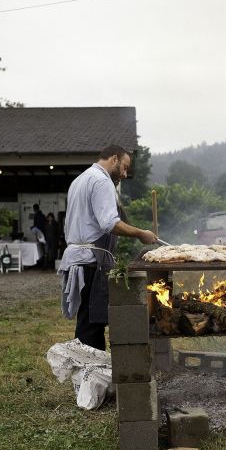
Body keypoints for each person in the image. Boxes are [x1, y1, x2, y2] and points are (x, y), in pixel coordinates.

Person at [58, 145, 157, 351]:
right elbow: (109, 223)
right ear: (114, 159)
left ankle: (89, 375)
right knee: (92, 325)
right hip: (91, 262)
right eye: (124, 167)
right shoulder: (102, 181)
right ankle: (92, 376)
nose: (125, 173)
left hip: (80, 258)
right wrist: (140, 233)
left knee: (88, 322)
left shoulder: (80, 179)